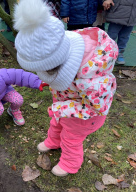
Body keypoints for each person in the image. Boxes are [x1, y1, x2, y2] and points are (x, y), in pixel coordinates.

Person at [14, 0, 118, 176]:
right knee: (56, 120)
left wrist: (62, 107)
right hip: (67, 100)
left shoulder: (91, 81)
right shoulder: (62, 44)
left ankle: (70, 164)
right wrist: (59, 104)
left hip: (85, 114)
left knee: (71, 137)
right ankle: (53, 141)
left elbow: (97, 107)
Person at [103, 0, 136, 65]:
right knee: (111, 35)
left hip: (132, 16)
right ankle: (106, 52)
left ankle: (119, 52)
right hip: (118, 13)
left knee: (125, 36)